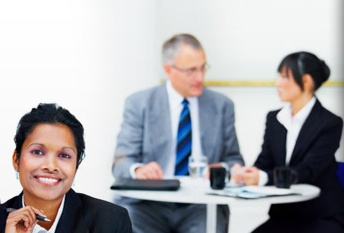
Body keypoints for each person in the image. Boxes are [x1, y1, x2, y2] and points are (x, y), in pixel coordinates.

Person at [112, 33, 244, 233]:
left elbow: (235, 161)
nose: (199, 77)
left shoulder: (221, 106)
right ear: (168, 70)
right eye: (191, 70)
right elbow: (121, 163)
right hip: (148, 204)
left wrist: (222, 169)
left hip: (201, 204)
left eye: (202, 68)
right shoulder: (139, 104)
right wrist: (138, 170)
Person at [232, 51, 344, 233]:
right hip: (285, 215)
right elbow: (264, 162)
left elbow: (306, 171)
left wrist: (263, 177)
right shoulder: (275, 119)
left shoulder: (330, 123)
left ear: (306, 81)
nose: (278, 83)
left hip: (321, 215)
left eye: (285, 77)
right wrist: (249, 173)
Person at [0, 103, 132, 233]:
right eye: (38, 152)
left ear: (76, 167)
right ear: (16, 160)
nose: (51, 166)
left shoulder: (112, 221)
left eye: (64, 155)